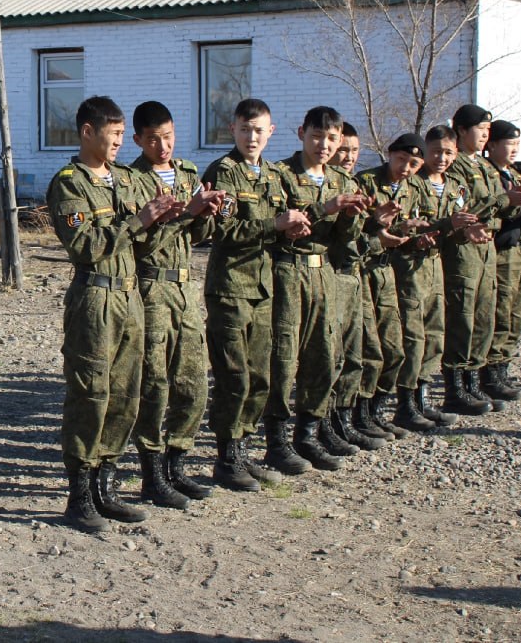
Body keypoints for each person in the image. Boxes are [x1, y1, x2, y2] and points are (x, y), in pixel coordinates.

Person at [46, 96, 176, 531]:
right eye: (115, 134)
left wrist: (172, 218)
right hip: (95, 299)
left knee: (126, 393)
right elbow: (84, 245)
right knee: (91, 392)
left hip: (130, 297)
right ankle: (79, 494)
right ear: (88, 132)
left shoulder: (125, 179)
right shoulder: (70, 183)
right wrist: (139, 221)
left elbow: (146, 245)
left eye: (123, 135)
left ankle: (107, 485)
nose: (121, 142)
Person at [202, 98, 310, 492]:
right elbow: (223, 233)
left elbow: (284, 222)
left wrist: (292, 228)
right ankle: (226, 457)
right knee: (234, 376)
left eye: (259, 130)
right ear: (233, 129)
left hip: (263, 288)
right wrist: (274, 225)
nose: (252, 137)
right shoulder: (224, 173)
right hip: (230, 287)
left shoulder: (274, 176)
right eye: (245, 129)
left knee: (261, 376)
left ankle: (244, 449)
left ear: (271, 132)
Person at [127, 102, 224, 509]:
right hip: (150, 290)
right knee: (154, 383)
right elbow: (140, 241)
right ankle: (151, 472)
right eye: (152, 139)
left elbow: (197, 236)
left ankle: (176, 463)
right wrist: (186, 215)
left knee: (193, 383)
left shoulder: (186, 173)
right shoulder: (131, 180)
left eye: (167, 136)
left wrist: (211, 212)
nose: (162, 145)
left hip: (184, 290)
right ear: (138, 140)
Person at [265, 107, 371, 473]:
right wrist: (326, 208)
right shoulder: (279, 175)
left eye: (331, 138)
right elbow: (278, 223)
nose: (323, 145)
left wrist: (351, 218)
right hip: (288, 271)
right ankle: (276, 441)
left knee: (324, 354)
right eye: (316, 136)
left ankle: (308, 433)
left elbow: (345, 241)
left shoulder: (343, 180)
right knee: (282, 356)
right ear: (301, 133)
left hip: (323, 271)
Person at [442, 104, 521, 415]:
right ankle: (456, 388)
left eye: (486, 131)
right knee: (464, 317)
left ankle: (474, 381)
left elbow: (498, 206)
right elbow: (463, 208)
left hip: (487, 248)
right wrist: (502, 200)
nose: (485, 135)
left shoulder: (484, 168)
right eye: (480, 130)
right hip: (463, 251)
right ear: (461, 132)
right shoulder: (455, 168)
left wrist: (514, 200)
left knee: (485, 315)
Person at [354, 134, 428, 438]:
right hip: (365, 270)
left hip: (391, 271)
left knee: (396, 349)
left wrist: (414, 234)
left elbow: (410, 225)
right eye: (401, 160)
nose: (406, 167)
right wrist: (384, 227)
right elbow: (356, 233)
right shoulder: (367, 181)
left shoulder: (415, 188)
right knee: (370, 350)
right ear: (390, 154)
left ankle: (375, 410)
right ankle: (359, 414)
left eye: (414, 163)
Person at [394, 126, 468, 430]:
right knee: (413, 336)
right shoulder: (414, 184)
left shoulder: (454, 186)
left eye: (448, 152)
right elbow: (404, 225)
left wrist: (464, 230)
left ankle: (423, 399)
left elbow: (455, 225)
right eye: (435, 151)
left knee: (434, 333)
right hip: (411, 266)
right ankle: (406, 403)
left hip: (436, 265)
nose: (441, 158)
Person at [327, 124, 385, 451]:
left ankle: (348, 418)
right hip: (332, 276)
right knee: (332, 356)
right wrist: (376, 238)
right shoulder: (326, 189)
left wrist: (379, 225)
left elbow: (357, 237)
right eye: (343, 149)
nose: (348, 156)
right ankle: (328, 423)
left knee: (360, 352)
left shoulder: (353, 184)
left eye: (353, 150)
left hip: (354, 275)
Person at [482, 122, 521, 400]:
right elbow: (496, 207)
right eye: (508, 143)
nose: (514, 149)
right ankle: (491, 371)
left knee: (518, 314)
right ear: (491, 145)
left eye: (517, 144)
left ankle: (503, 366)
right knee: (501, 312)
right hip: (503, 250)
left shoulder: (516, 172)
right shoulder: (488, 173)